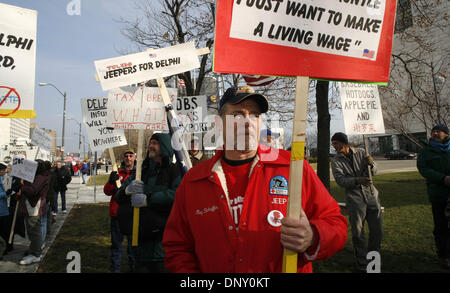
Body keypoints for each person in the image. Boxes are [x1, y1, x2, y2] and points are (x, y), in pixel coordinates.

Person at [162, 86, 347, 273]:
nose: (248, 122)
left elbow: (336, 224)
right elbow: (177, 246)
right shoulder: (194, 181)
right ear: (219, 124)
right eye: (237, 115)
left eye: (255, 115)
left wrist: (313, 236)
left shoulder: (293, 168)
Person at [116, 133, 181, 273]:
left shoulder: (174, 171)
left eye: (155, 143)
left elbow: (178, 195)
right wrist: (127, 190)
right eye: (150, 143)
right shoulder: (140, 172)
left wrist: (149, 199)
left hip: (164, 246)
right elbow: (118, 196)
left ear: (165, 146)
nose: (151, 146)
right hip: (140, 246)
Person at [330, 132, 382, 272]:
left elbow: (375, 171)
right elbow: (340, 181)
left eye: (336, 143)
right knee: (358, 233)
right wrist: (357, 180)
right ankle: (362, 264)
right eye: (333, 144)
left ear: (344, 142)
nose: (334, 147)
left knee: (376, 231)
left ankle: (374, 263)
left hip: (371, 195)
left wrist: (371, 164)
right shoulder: (336, 161)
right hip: (354, 199)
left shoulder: (362, 153)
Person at [417, 124, 450, 269]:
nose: (435, 133)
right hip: (439, 195)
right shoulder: (426, 152)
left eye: (439, 131)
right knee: (441, 227)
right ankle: (443, 255)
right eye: (434, 131)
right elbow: (423, 169)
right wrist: (443, 178)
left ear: (446, 134)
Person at [103, 149, 136, 273]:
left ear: (134, 158)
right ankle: (115, 270)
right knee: (116, 247)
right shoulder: (117, 173)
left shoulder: (138, 173)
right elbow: (107, 192)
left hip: (133, 215)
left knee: (133, 247)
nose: (128, 158)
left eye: (130, 156)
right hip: (117, 215)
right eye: (126, 156)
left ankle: (134, 268)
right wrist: (111, 182)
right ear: (123, 158)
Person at [18, 160, 50, 265]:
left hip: (34, 207)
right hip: (30, 208)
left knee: (34, 231)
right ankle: (33, 250)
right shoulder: (37, 177)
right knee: (31, 231)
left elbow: (33, 190)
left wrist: (23, 186)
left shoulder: (41, 178)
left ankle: (36, 254)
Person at [0, 163, 9, 258]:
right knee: (2, 231)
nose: (5, 172)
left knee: (4, 230)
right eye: (3, 170)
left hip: (3, 209)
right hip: (1, 210)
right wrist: (5, 193)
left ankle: (4, 249)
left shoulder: (3, 179)